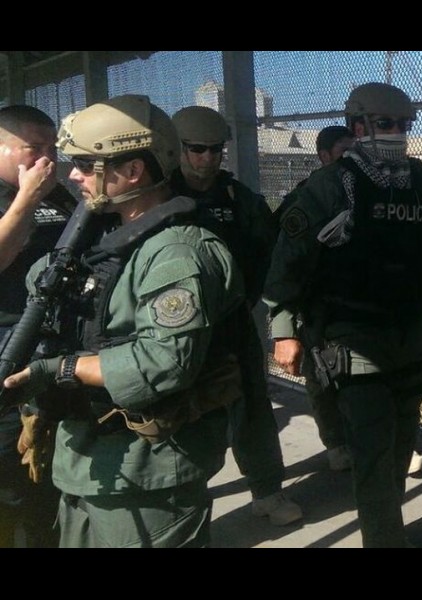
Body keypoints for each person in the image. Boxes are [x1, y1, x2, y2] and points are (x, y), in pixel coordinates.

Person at [2, 94, 247, 548]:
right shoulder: (101, 239)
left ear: (133, 170)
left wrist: (59, 370)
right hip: (86, 461)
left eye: (85, 164)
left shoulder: (176, 252)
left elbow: (163, 363)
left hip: (147, 472)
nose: (72, 175)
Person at [263, 82, 422, 547]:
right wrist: (284, 332)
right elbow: (286, 265)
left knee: (400, 449)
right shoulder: (330, 187)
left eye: (404, 125)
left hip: (412, 343)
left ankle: (388, 534)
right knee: (374, 457)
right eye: (386, 124)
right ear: (358, 127)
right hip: (355, 346)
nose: (396, 133)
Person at [170, 105, 302, 525]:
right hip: (170, 330)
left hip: (230, 323)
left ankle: (267, 490)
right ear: (176, 148)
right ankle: (179, 501)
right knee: (176, 413)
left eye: (215, 150)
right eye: (197, 149)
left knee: (252, 407)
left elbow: (270, 254)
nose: (207, 158)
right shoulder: (156, 196)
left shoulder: (237, 198)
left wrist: (247, 300)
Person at [0, 105, 77, 548]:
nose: (47, 158)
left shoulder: (58, 195)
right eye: (34, 147)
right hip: (9, 347)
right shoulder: (26, 195)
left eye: (53, 147)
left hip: (56, 346)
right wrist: (26, 199)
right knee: (10, 474)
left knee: (48, 475)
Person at [277, 125, 355, 471]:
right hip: (319, 305)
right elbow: (284, 262)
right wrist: (284, 328)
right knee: (322, 376)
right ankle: (336, 443)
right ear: (324, 156)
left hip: (359, 306)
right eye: (343, 152)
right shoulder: (308, 197)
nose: (351, 160)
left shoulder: (370, 191)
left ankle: (380, 441)